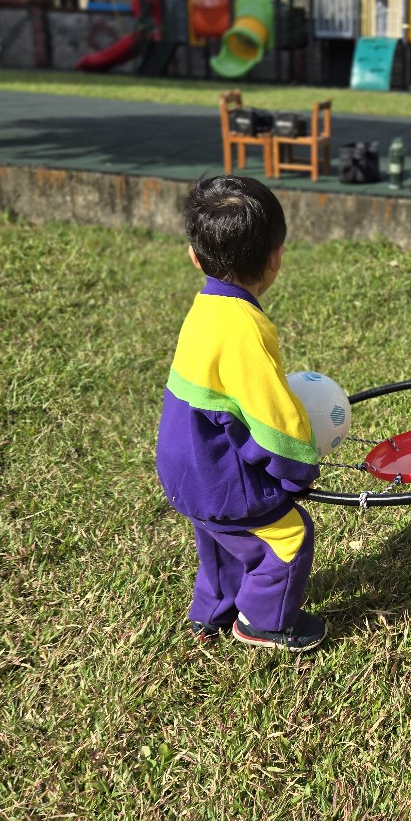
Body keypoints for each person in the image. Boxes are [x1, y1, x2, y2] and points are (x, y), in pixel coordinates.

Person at [156, 175, 326, 652]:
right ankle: (263, 623)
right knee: (289, 538)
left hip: (184, 468)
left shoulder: (205, 308)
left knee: (220, 539)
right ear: (276, 257)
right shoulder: (245, 329)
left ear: (194, 256)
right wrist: (297, 471)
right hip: (220, 478)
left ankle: (210, 614)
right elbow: (272, 419)